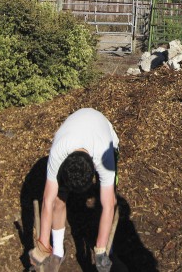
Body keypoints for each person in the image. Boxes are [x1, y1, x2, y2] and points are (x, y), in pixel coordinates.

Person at [29, 108, 119, 272]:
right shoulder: (58, 154)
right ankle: (57, 251)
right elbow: (47, 201)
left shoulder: (104, 157)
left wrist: (99, 251)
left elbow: (108, 204)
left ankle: (106, 249)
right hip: (72, 132)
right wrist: (42, 245)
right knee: (58, 199)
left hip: (104, 131)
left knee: (109, 199)